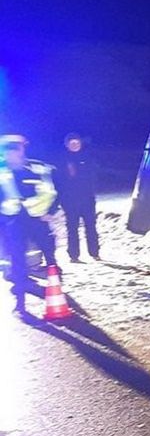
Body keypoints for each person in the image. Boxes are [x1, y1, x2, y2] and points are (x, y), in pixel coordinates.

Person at [0, 135, 59, 318]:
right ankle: (21, 305)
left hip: (37, 220)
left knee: (50, 253)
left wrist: (51, 211)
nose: (15, 155)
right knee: (17, 259)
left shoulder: (36, 168)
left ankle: (56, 293)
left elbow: (53, 190)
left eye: (18, 150)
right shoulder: (3, 172)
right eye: (10, 152)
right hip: (13, 222)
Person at [58, 132, 100, 262]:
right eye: (72, 143)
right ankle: (74, 255)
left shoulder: (87, 157)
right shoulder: (63, 160)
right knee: (72, 227)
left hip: (87, 198)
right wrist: (62, 198)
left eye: (77, 143)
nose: (75, 145)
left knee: (91, 226)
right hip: (70, 200)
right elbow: (59, 180)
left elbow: (93, 174)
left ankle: (94, 252)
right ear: (67, 145)